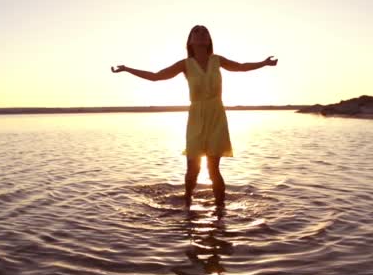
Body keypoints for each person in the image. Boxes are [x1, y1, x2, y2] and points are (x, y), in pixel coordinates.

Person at [111, 25, 277, 207]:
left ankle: (220, 212)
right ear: (190, 41)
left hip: (216, 116)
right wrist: (127, 69)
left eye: (204, 32)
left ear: (209, 40)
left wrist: (264, 63)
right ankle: (187, 201)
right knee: (193, 168)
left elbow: (241, 67)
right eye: (196, 32)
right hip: (196, 116)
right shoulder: (185, 64)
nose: (201, 35)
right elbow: (156, 76)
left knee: (214, 168)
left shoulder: (217, 60)